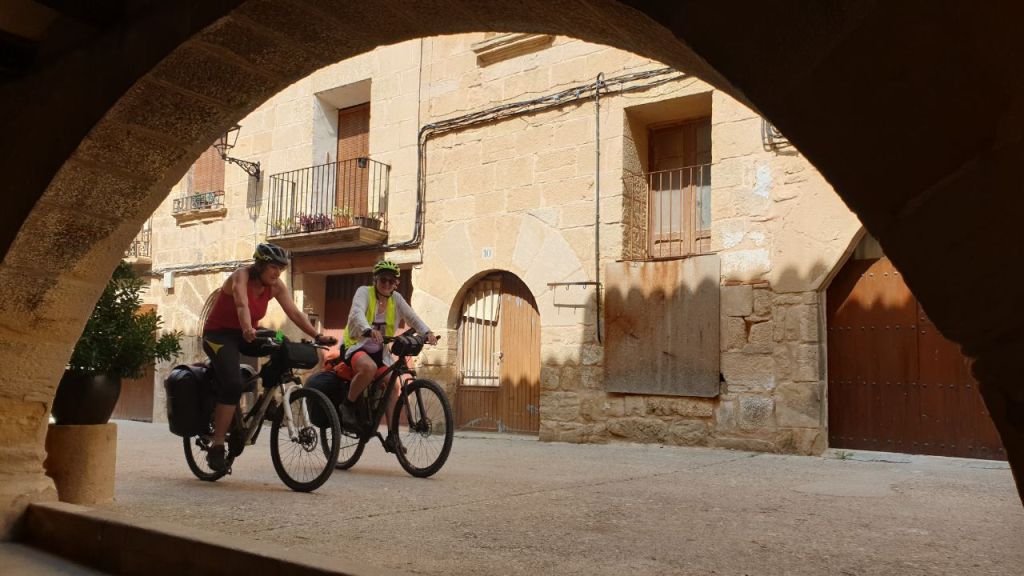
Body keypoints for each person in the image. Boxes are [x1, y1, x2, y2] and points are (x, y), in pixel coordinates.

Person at [201, 242, 334, 471]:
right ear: (260, 265)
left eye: (280, 269)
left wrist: (317, 335)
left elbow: (294, 313)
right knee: (232, 384)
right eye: (273, 267)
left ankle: (267, 397)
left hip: (249, 332)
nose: (277, 273)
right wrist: (246, 327)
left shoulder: (275, 286)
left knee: (282, 340)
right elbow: (241, 304)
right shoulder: (240, 276)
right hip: (219, 335)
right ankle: (218, 445)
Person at [339, 259, 436, 453]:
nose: (387, 284)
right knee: (369, 368)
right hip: (356, 346)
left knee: (394, 386)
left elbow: (412, 317)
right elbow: (357, 313)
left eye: (391, 281)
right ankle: (347, 405)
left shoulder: (396, 299)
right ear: (375, 280)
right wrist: (368, 329)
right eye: (383, 279)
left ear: (396, 284)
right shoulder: (363, 292)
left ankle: (392, 436)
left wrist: (427, 332)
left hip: (379, 352)